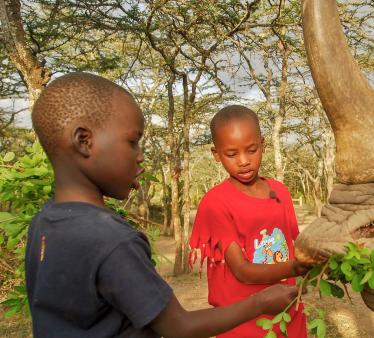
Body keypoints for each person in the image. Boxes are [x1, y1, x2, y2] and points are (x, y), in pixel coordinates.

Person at [25, 72, 299, 338]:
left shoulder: (44, 223)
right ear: (84, 141)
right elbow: (178, 327)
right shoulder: (114, 242)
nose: (141, 156)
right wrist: (260, 303)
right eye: (132, 142)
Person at [189, 105, 308, 337]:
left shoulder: (280, 192)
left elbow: (294, 247)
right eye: (232, 154)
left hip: (288, 314)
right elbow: (242, 271)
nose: (243, 161)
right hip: (243, 324)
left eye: (251, 150)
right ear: (216, 154)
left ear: (262, 145)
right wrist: (298, 266)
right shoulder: (216, 202)